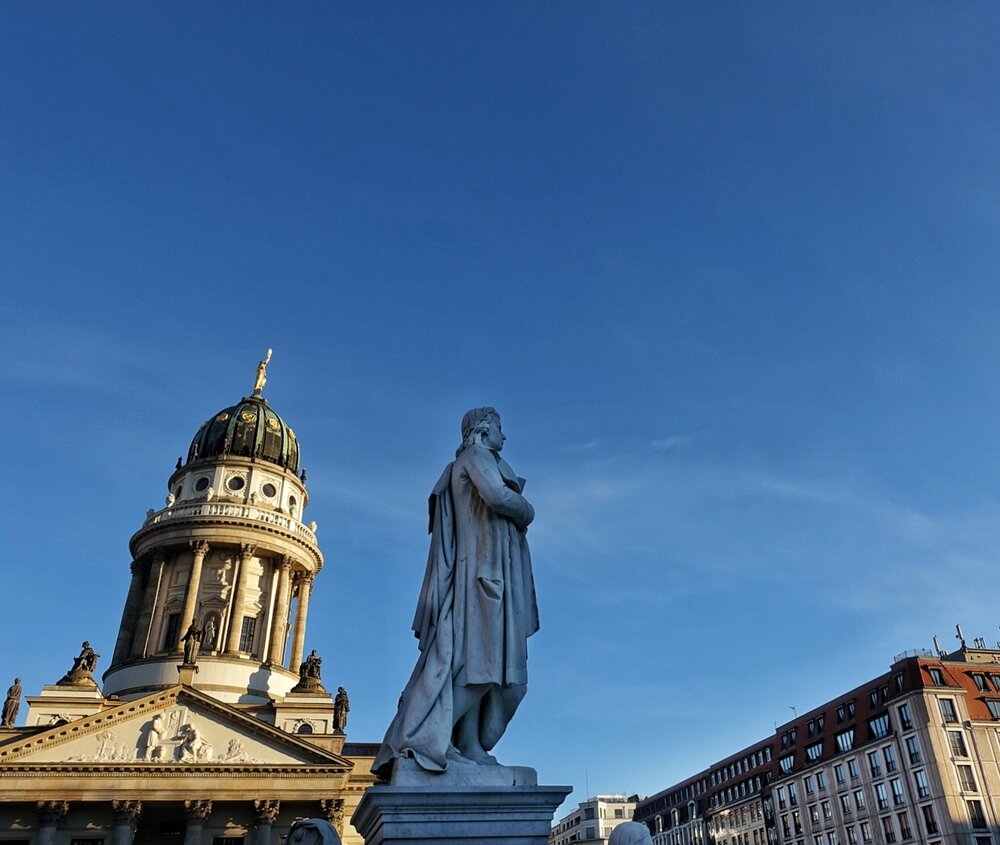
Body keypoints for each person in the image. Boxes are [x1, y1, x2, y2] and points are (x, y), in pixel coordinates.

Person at [372, 407, 537, 778]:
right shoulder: (476, 456)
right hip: (482, 576)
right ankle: (429, 736)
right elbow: (497, 497)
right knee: (483, 663)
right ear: (482, 428)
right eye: (499, 427)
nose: (504, 436)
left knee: (482, 667)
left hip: (487, 574)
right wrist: (527, 509)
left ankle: (471, 745)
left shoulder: (475, 460)